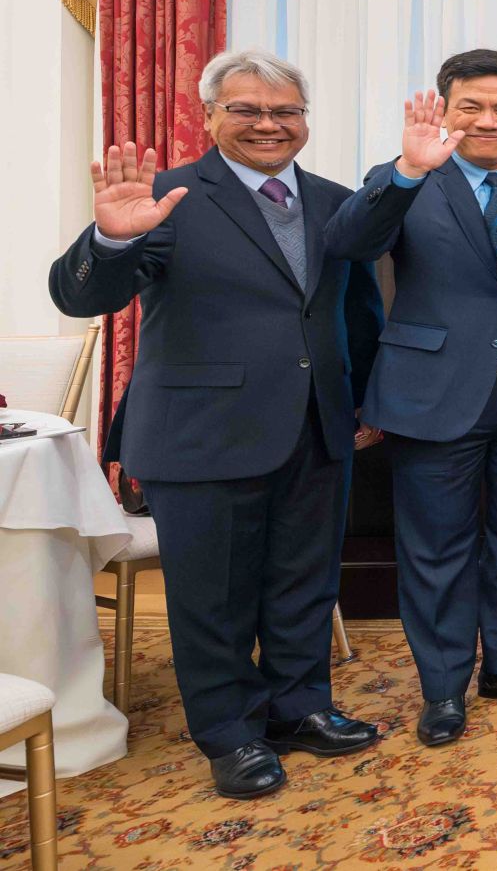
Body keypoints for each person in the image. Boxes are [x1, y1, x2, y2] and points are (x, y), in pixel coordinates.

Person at [49, 49, 383, 799]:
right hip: (202, 430)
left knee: (303, 580)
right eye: (246, 109)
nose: (268, 123)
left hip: (316, 425)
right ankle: (230, 732)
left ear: (304, 119)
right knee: (215, 595)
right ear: (208, 116)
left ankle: (299, 708)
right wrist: (110, 240)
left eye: (285, 110)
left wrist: (362, 397)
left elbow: (357, 311)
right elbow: (84, 296)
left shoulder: (333, 201)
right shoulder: (164, 196)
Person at [326, 49, 497, 746]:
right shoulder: (408, 174)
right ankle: (443, 688)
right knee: (437, 547)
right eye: (471, 105)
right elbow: (348, 242)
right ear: (444, 108)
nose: (487, 120)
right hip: (434, 392)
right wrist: (406, 173)